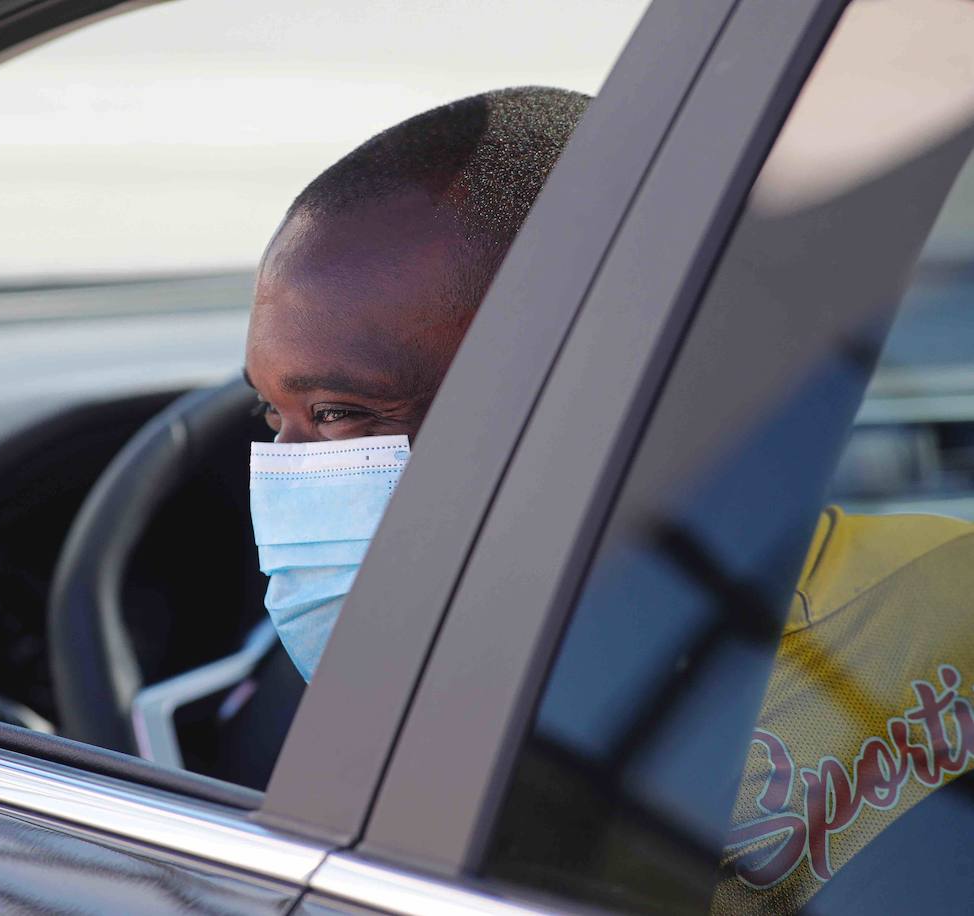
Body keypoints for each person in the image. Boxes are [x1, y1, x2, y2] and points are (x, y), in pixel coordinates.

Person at [242, 87, 974, 913]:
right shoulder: (945, 576)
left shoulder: (520, 774)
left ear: (585, 393)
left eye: (339, 414)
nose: (285, 473)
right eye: (273, 417)